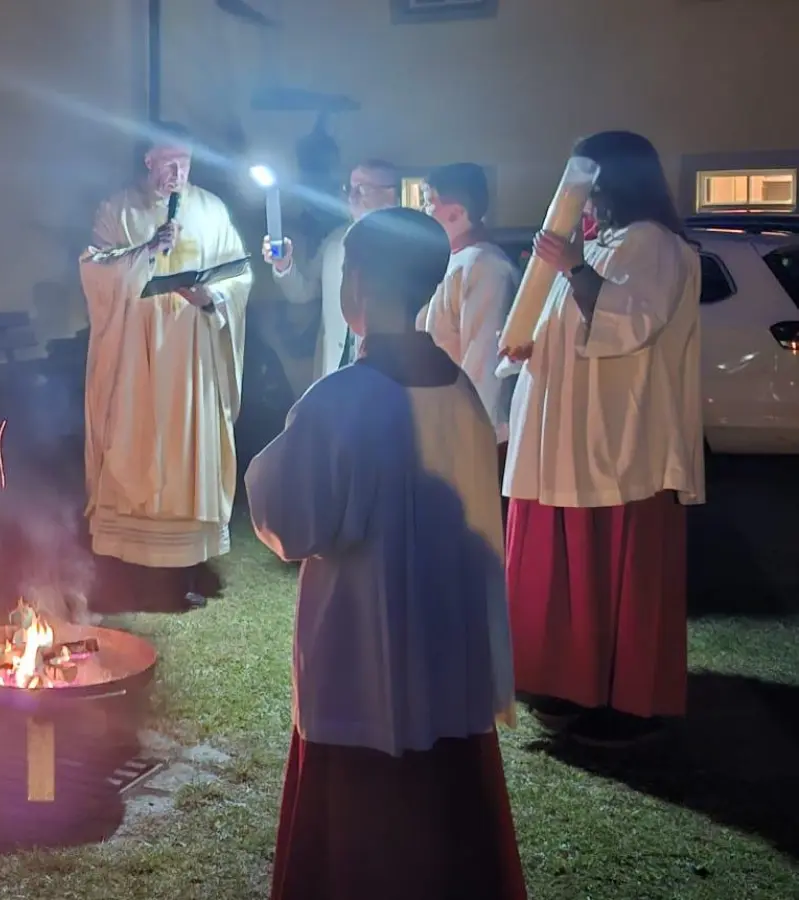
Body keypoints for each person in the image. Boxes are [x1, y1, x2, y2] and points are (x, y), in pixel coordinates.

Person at [246, 207, 525, 900]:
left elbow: (291, 521)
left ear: (358, 281)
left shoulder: (343, 400)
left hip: (362, 661)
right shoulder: (459, 391)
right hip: (449, 659)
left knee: (361, 847)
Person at [501, 131, 703, 747]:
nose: (578, 191)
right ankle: (567, 680)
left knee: (613, 568)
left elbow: (632, 322)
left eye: (585, 177)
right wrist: (532, 341)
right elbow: (568, 321)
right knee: (568, 565)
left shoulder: (653, 242)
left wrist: (574, 266)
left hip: (619, 438)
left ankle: (624, 697)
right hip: (567, 430)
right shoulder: (599, 243)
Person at [79, 123, 251, 609]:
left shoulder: (211, 210)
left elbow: (239, 273)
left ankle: (186, 567)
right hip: (136, 356)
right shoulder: (118, 209)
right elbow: (94, 269)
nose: (177, 172)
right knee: (132, 444)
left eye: (185, 162)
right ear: (148, 161)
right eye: (168, 162)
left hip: (191, 354)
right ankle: (126, 568)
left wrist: (212, 296)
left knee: (188, 452)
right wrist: (147, 251)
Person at [269, 159, 400, 382]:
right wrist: (284, 265)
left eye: (363, 189)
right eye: (350, 188)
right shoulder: (334, 242)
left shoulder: (408, 246)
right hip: (336, 364)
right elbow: (303, 292)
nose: (352, 197)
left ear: (390, 194)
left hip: (388, 370)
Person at [417, 162, 519, 450]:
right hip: (441, 418)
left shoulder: (485, 266)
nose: (424, 211)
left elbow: (483, 361)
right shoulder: (453, 260)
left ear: (457, 212)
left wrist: (467, 436)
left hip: (470, 431)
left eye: (429, 202)